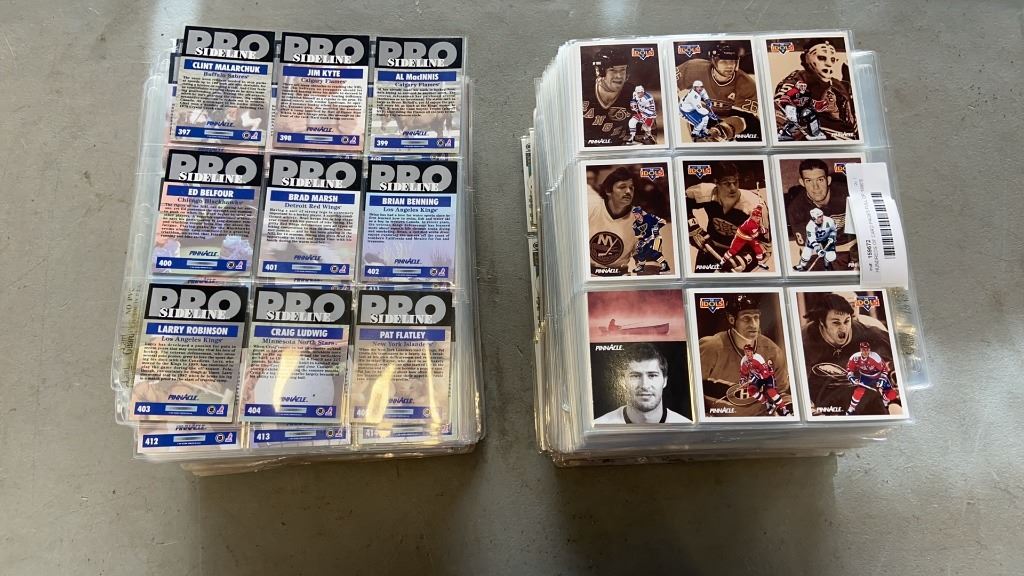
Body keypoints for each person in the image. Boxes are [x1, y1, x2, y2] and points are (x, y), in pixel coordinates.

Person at [799, 293, 894, 415]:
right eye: (836, 323)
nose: (843, 328)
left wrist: (895, 402)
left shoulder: (871, 335)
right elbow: (796, 386)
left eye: (846, 321)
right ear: (822, 322)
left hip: (866, 402)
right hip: (824, 405)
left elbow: (898, 363)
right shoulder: (804, 340)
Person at [698, 294, 791, 416]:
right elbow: (690, 389)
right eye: (746, 318)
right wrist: (704, 417)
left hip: (758, 422)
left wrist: (789, 408)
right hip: (718, 422)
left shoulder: (773, 351)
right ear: (732, 320)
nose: (754, 325)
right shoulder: (711, 347)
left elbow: (780, 393)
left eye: (756, 318)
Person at [685, 162, 769, 273]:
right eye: (726, 183)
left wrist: (745, 259)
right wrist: (692, 227)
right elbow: (680, 201)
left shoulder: (754, 205)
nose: (733, 188)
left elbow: (766, 245)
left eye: (735, 182)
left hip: (741, 252)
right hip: (711, 247)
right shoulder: (704, 192)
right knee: (699, 283)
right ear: (716, 183)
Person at [773, 38, 858, 139]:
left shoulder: (839, 85)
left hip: (845, 136)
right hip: (815, 135)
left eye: (832, 59)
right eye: (821, 58)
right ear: (806, 58)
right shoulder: (799, 77)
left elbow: (853, 114)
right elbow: (780, 105)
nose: (829, 64)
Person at [676, 42, 759, 141]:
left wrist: (723, 129)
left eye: (732, 61)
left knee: (753, 126)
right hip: (704, 113)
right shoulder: (694, 69)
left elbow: (745, 118)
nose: (729, 66)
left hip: (731, 118)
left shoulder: (747, 85)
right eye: (724, 62)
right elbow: (669, 84)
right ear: (714, 61)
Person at [785, 158, 858, 270]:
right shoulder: (796, 208)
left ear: (828, 180)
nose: (816, 187)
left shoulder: (848, 195)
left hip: (848, 245)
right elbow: (809, 247)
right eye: (809, 181)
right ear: (802, 183)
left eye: (820, 180)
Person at [594, 343, 687, 424]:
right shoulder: (600, 426)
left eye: (652, 375)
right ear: (622, 382)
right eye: (635, 376)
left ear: (665, 381)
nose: (644, 385)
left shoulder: (686, 428)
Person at [582, 48, 637, 145]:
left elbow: (647, 135)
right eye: (613, 70)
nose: (619, 76)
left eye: (622, 70)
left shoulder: (635, 94)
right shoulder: (582, 90)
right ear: (599, 71)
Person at [589, 167, 638, 273]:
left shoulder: (641, 220)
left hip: (619, 276)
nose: (628, 191)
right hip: (589, 274)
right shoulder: (590, 209)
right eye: (622, 187)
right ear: (608, 191)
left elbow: (647, 262)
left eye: (631, 188)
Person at [846, 341, 901, 415]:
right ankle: (851, 408)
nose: (865, 352)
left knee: (892, 394)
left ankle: (885, 400)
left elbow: (884, 369)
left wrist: (882, 380)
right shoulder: (855, 357)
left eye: (867, 349)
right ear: (860, 350)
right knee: (858, 391)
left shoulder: (875, 357)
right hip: (865, 377)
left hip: (878, 376)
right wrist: (851, 377)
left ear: (869, 349)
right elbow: (850, 369)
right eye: (863, 350)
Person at [739, 344, 791, 416]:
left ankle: (784, 409)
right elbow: (743, 374)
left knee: (771, 392)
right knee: (751, 390)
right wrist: (742, 381)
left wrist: (753, 379)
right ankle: (767, 403)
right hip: (757, 378)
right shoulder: (744, 361)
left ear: (752, 352)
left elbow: (765, 373)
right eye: (745, 352)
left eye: (749, 351)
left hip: (767, 376)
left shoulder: (758, 358)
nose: (747, 353)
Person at [721, 204, 769, 270]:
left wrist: (759, 207)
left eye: (758, 216)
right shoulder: (751, 225)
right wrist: (762, 231)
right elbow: (754, 235)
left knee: (758, 250)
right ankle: (722, 261)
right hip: (741, 237)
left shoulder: (757, 220)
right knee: (733, 250)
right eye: (755, 216)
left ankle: (760, 263)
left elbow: (758, 228)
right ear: (752, 216)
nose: (757, 218)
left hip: (749, 237)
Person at [630, 205, 670, 274]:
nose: (635, 215)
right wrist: (641, 241)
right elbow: (638, 236)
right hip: (646, 240)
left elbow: (663, 221)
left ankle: (665, 265)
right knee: (640, 251)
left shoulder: (649, 217)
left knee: (654, 252)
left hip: (656, 238)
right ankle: (641, 267)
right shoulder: (635, 225)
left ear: (640, 213)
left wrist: (657, 227)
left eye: (636, 214)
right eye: (634, 214)